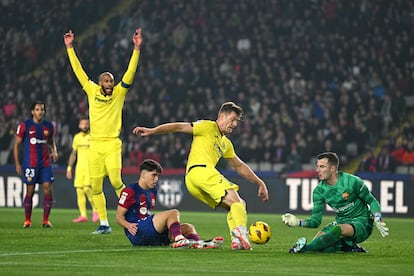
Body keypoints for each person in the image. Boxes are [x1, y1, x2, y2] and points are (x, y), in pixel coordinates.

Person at [132, 102, 269, 250]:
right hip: (201, 171)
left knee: (237, 205)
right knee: (236, 200)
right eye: (233, 119)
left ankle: (236, 241)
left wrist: (259, 182)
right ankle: (242, 233)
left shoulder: (225, 143)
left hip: (193, 181)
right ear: (222, 116)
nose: (235, 124)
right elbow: (178, 127)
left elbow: (239, 165)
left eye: (237, 121)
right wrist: (153, 131)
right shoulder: (207, 126)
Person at [64, 28, 143, 234]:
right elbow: (78, 71)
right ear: (100, 83)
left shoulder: (119, 93)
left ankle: (134, 214)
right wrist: (70, 48)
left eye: (111, 81)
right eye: (106, 81)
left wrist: (136, 49)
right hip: (95, 145)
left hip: (112, 144)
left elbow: (130, 73)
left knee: (116, 181)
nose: (109, 84)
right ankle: (105, 224)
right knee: (96, 187)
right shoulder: (91, 90)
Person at [282, 152, 389, 253]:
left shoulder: (352, 182)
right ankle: (348, 246)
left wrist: (378, 217)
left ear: (333, 169)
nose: (317, 170)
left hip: (362, 222)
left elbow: (372, 200)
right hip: (341, 221)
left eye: (322, 167)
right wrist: (298, 222)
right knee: (320, 246)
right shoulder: (319, 191)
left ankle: (304, 248)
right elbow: (315, 221)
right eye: (317, 166)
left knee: (336, 231)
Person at [116, 159, 224, 248]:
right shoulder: (130, 190)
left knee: (188, 227)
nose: (156, 179)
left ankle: (199, 244)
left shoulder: (152, 191)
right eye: (154, 175)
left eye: (158, 176)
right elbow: (119, 217)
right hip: (137, 232)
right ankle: (180, 239)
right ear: (143, 174)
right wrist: (128, 225)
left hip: (149, 233)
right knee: (173, 213)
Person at [13, 101, 58, 228]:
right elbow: (16, 145)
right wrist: (17, 163)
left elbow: (51, 141)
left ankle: (45, 220)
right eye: (37, 109)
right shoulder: (25, 125)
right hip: (30, 163)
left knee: (48, 188)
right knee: (30, 191)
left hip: (45, 163)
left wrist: (54, 151)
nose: (40, 112)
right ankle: (27, 220)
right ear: (32, 111)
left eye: (42, 109)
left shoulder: (49, 126)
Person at [66, 117, 98, 223]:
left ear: (89, 125)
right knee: (79, 190)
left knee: (87, 189)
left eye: (86, 124)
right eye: (82, 124)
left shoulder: (93, 137)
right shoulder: (77, 137)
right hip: (79, 167)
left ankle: (95, 210)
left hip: (90, 167)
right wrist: (69, 168)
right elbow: (73, 154)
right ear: (79, 126)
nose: (84, 125)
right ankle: (83, 215)